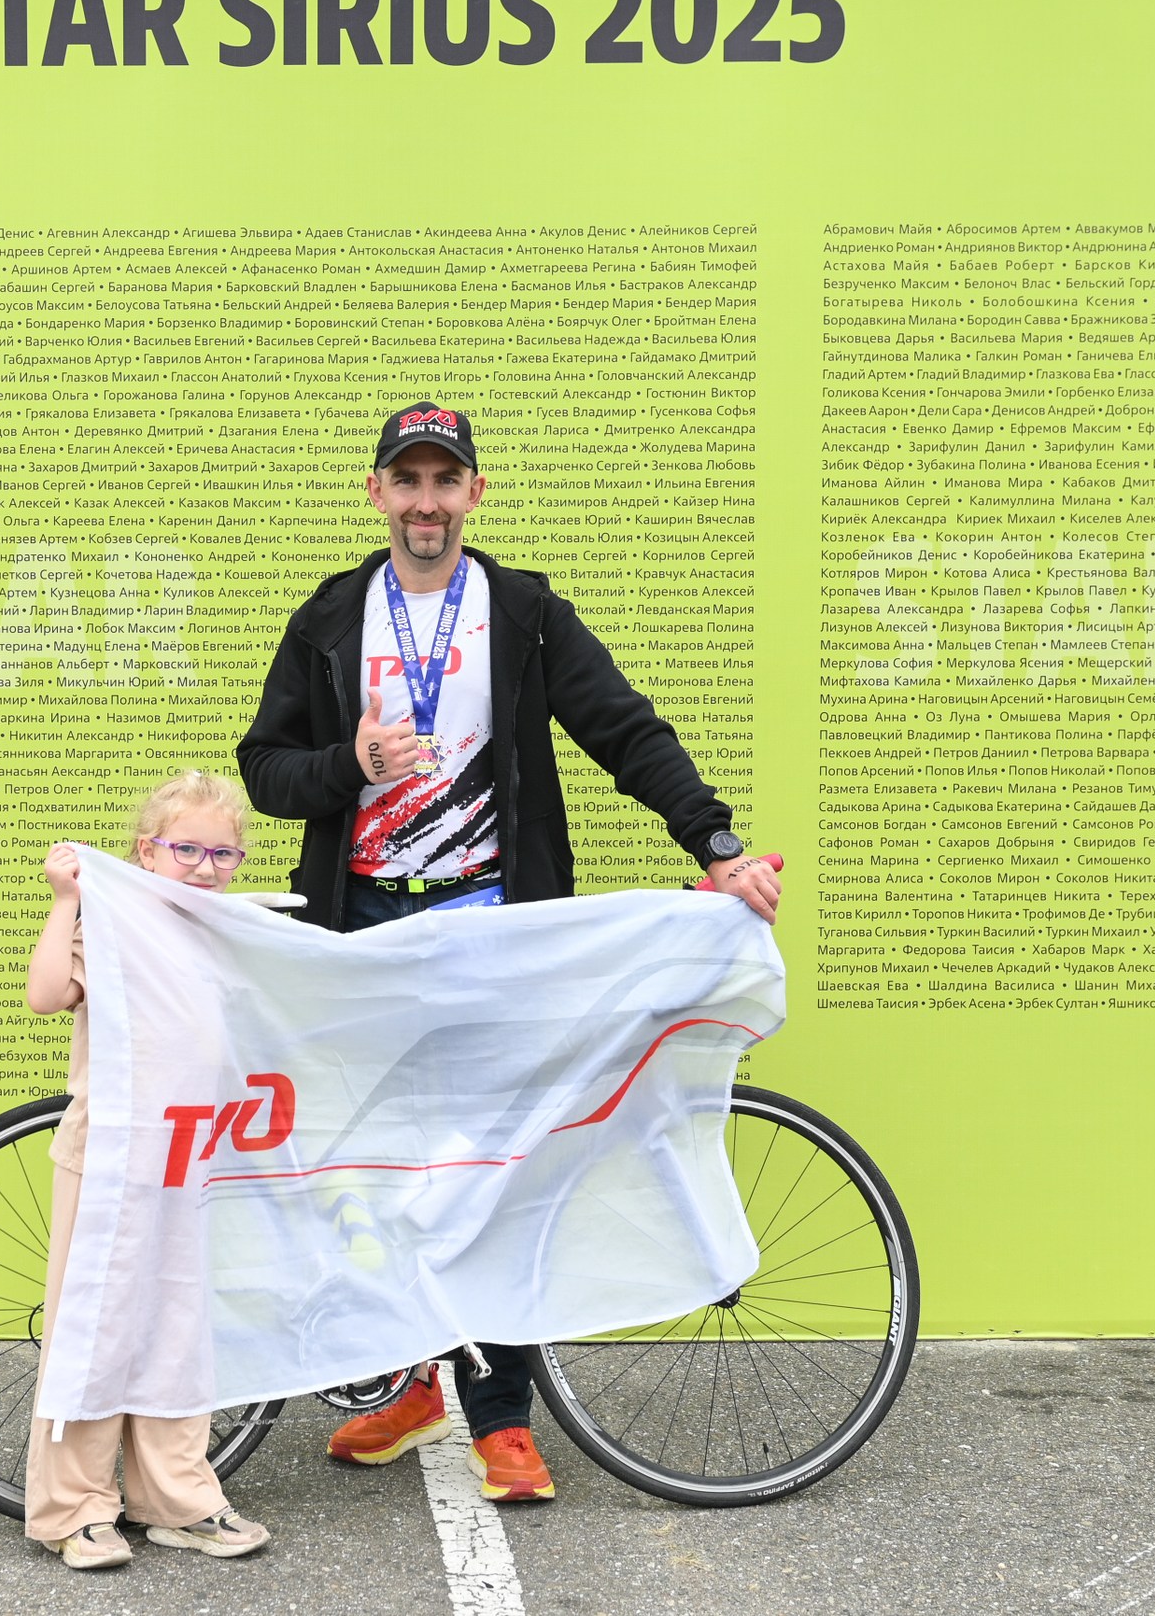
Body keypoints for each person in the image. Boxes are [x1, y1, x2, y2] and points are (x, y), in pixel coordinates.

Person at [236, 399, 781, 1502]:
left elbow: (624, 728)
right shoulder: (331, 618)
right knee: (379, 1167)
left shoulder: (523, 613)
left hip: (496, 929)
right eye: (407, 480)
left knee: (496, 1171)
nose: (426, 502)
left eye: (445, 480)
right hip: (369, 931)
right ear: (376, 492)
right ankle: (413, 1380)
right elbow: (265, 769)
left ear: (474, 493)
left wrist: (715, 842)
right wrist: (349, 765)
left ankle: (502, 1418)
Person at [21, 770, 274, 1571]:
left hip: (190, 1157)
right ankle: (75, 1507)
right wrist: (67, 901)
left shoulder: (228, 930)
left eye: (223, 853)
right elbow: (46, 993)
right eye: (186, 849)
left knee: (177, 1329)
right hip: (108, 1157)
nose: (205, 866)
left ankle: (177, 1498)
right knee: (95, 1327)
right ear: (146, 851)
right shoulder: (113, 926)